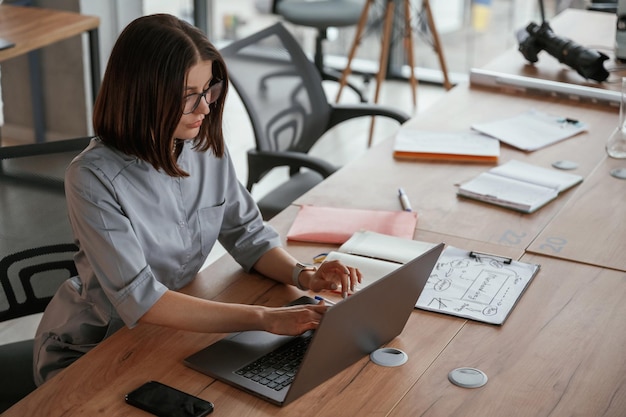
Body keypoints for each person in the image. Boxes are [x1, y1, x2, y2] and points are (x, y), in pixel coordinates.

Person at [33, 14, 360, 386]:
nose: (205, 108)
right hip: (97, 347)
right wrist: (264, 318)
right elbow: (141, 298)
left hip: (173, 330)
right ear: (143, 93)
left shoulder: (202, 146)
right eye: (189, 96)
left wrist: (304, 275)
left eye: (209, 90)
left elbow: (247, 234)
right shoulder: (92, 178)